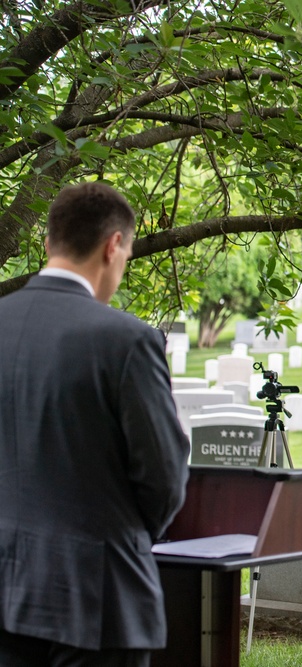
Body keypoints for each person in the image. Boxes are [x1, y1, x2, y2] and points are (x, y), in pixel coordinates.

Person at [0, 182, 190, 667]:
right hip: (97, 597)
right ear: (114, 247)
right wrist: (121, 539)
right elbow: (164, 478)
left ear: (48, 244)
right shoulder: (124, 339)